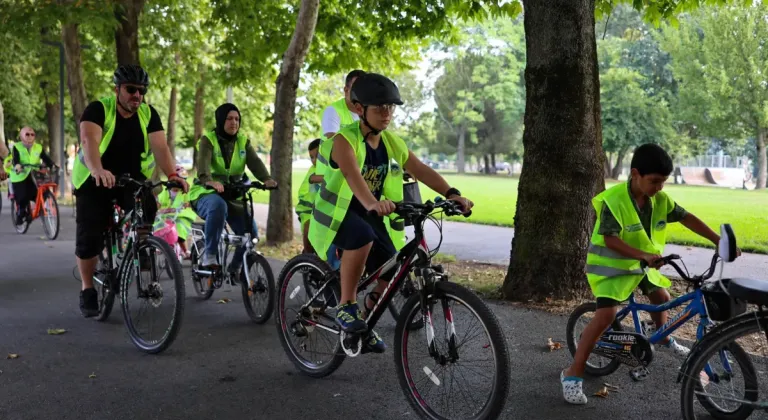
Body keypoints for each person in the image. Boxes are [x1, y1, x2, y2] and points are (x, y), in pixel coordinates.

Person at [560, 143, 739, 405]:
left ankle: (663, 337)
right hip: (612, 269)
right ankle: (572, 374)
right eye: (654, 181)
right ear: (635, 174)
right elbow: (609, 239)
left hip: (643, 265)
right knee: (606, 316)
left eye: (663, 182)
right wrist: (641, 255)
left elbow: (687, 217)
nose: (659, 187)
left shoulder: (659, 200)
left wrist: (717, 239)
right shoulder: (614, 200)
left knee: (661, 296)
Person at [309, 73, 473, 353]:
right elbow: (351, 175)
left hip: (367, 209)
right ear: (360, 109)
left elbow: (419, 169)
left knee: (393, 264)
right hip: (337, 212)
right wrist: (372, 202)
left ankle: (365, 321)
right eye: (380, 108)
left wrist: (451, 193)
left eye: (390, 107)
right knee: (361, 236)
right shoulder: (343, 141)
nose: (387, 114)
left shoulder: (390, 141)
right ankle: (347, 306)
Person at [74, 64, 188, 318]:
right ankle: (88, 288)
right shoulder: (99, 109)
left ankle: (142, 245)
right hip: (95, 178)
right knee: (90, 236)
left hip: (130, 177)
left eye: (141, 91)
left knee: (147, 201)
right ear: (117, 89)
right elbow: (89, 141)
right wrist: (97, 170)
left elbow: (160, 147)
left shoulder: (149, 114)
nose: (137, 95)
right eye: (131, 89)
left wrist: (172, 175)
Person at [187, 103, 277, 275]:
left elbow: (255, 163)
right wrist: (209, 180)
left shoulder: (243, 141)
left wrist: (266, 179)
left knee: (251, 235)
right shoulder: (208, 140)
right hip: (206, 193)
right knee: (217, 206)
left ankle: (235, 268)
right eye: (229, 119)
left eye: (237, 119)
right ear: (221, 120)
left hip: (233, 193)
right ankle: (210, 255)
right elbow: (203, 166)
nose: (233, 122)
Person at [10, 127, 56, 224]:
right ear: (21, 137)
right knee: (22, 196)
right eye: (27, 134)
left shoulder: (38, 147)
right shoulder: (17, 147)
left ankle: (39, 209)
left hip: (34, 175)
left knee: (41, 193)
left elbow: (45, 158)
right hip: (20, 175)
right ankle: (20, 213)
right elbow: (15, 159)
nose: (30, 137)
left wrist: (52, 165)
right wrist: (18, 165)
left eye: (32, 134)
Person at [154, 164, 196, 258]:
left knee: (180, 230)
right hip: (166, 216)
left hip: (182, 216)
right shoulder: (164, 191)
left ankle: (185, 250)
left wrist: (188, 204)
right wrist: (157, 205)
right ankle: (160, 244)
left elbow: (190, 201)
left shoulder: (186, 191)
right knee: (160, 227)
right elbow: (159, 202)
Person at [296, 139, 322, 254]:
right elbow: (314, 178)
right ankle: (307, 254)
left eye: (317, 156)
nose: (314, 160)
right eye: (311, 157)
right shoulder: (314, 170)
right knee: (308, 228)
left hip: (321, 209)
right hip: (307, 209)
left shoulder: (329, 167)